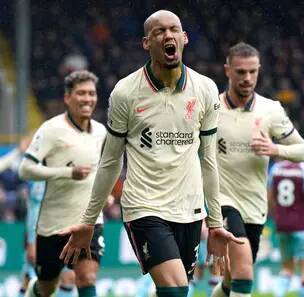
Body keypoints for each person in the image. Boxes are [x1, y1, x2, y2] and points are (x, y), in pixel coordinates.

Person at [60, 10, 240, 297]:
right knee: (176, 289)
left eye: (174, 30)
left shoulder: (205, 89)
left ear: (184, 38)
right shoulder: (126, 92)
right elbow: (110, 161)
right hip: (144, 206)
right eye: (159, 31)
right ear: (147, 43)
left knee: (172, 290)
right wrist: (89, 220)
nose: (168, 35)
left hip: (190, 209)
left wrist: (215, 222)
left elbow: (208, 160)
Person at [212, 42, 304, 297]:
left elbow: (303, 151)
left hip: (255, 207)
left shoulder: (271, 110)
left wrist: (275, 149)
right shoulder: (210, 109)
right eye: (241, 72)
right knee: (244, 271)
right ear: (227, 71)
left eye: (252, 72)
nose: (247, 78)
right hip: (222, 200)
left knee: (232, 281)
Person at [18, 70, 107, 297]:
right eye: (81, 93)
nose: (87, 98)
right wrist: (66, 173)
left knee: (86, 277)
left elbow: (103, 170)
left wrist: (105, 193)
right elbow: (25, 169)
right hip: (53, 224)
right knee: (47, 286)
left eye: (91, 93)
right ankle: (34, 290)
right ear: (68, 98)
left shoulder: (101, 132)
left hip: (89, 222)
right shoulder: (51, 129)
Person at [268, 145, 304, 297]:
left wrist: (276, 217)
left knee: (287, 269)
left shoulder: (276, 169)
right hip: (301, 226)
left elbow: (269, 198)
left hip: (281, 225)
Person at [18, 181, 76, 297]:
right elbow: (34, 208)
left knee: (69, 278)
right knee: (37, 282)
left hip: (65, 233)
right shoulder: (43, 177)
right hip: (42, 236)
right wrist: (31, 242)